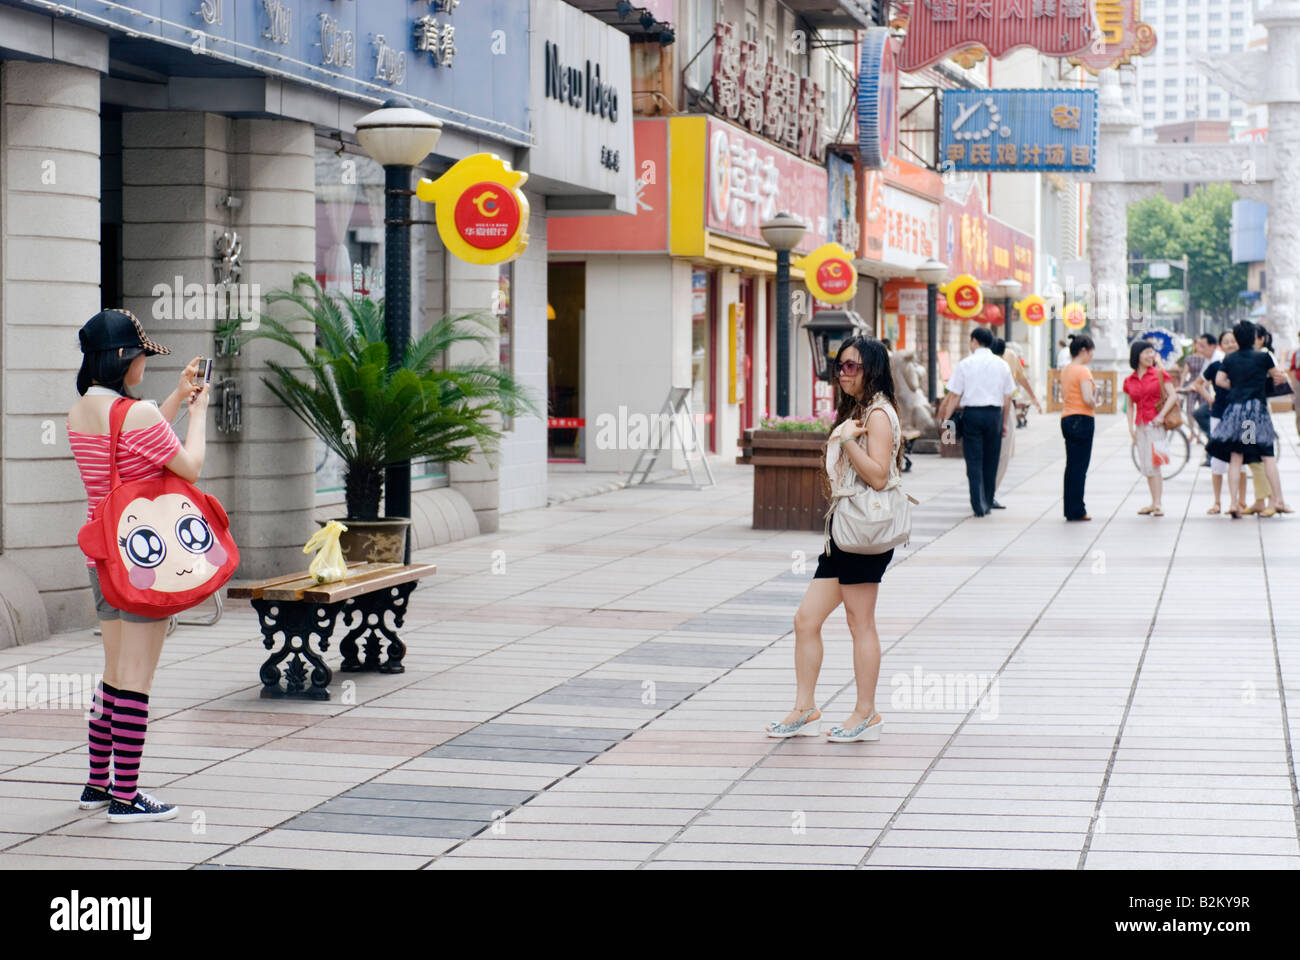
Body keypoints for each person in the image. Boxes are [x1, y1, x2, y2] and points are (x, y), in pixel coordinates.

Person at [67, 309, 210, 823]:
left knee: (112, 672)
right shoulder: (138, 415)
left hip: (101, 556)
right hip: (142, 561)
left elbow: (130, 442)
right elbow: (188, 466)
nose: (145, 362)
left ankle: (97, 784)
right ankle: (127, 797)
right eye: (142, 354)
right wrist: (196, 415)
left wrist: (173, 396)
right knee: (136, 678)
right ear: (124, 358)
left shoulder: (82, 409)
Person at [766, 337, 903, 743]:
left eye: (852, 367)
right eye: (839, 365)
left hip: (864, 535)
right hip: (843, 533)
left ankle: (866, 712)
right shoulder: (859, 410)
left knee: (860, 623)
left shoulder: (878, 414)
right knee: (806, 620)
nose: (843, 373)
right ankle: (804, 707)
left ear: (872, 369)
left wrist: (844, 440)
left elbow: (878, 475)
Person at [1207, 320, 1291, 518]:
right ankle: (1278, 499)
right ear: (1254, 337)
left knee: (1236, 456)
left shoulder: (1230, 359)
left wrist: (1235, 387)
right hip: (1256, 413)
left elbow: (1219, 380)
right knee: (1267, 455)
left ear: (1236, 338)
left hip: (1236, 412)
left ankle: (1234, 502)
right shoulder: (1263, 358)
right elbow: (1278, 376)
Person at [937, 326, 1015, 516]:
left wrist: (946, 421)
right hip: (994, 416)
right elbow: (1007, 398)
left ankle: (977, 504)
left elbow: (954, 395)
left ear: (974, 341)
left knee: (973, 460)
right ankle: (987, 500)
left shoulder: (966, 364)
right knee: (991, 460)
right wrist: (1004, 423)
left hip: (972, 415)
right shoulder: (1001, 365)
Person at [1123, 339, 1179, 517]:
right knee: (1146, 466)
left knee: (1155, 464)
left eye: (1152, 352)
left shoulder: (1160, 374)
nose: (1150, 356)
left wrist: (1161, 415)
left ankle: (1158, 503)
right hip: (1140, 425)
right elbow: (1130, 405)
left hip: (1156, 425)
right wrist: (1131, 427)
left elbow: (1172, 396)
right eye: (1146, 352)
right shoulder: (1129, 380)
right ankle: (1153, 502)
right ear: (1136, 355)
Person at [1194, 330, 1245, 515]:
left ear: (1239, 343)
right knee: (1217, 460)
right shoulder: (1215, 365)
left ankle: (1242, 501)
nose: (1231, 344)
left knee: (1242, 462)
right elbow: (1198, 384)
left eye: (1234, 341)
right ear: (1221, 346)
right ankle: (1217, 502)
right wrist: (1209, 398)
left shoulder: (1245, 365)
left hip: (1242, 416)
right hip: (1219, 416)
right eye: (1227, 342)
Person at [991, 338, 1044, 496]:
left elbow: (1021, 377)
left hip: (1006, 406)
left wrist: (1033, 397)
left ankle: (990, 491)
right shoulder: (982, 360)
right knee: (990, 452)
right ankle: (984, 491)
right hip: (992, 406)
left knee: (1004, 453)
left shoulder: (1011, 356)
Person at [1060, 334, 1102, 521]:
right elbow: (1087, 398)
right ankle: (1077, 509)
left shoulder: (1066, 370)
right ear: (1084, 350)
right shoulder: (1083, 371)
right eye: (1091, 351)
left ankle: (1070, 508)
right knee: (1080, 467)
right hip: (1082, 418)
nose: (1092, 355)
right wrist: (1096, 403)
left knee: (1071, 466)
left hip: (1067, 417)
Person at [1185, 334, 1216, 449]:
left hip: (1231, 402)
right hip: (1218, 399)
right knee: (1198, 413)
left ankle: (1214, 441)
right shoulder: (1208, 360)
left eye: (1203, 346)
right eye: (1199, 346)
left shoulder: (1219, 359)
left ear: (1212, 346)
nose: (1200, 349)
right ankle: (1212, 442)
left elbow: (1208, 381)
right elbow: (1200, 381)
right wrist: (1211, 400)